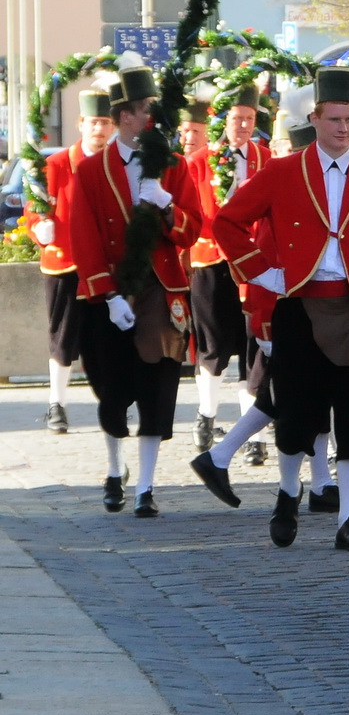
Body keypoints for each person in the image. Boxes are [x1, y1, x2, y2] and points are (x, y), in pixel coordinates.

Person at [213, 63, 349, 550]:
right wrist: (262, 272)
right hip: (299, 306)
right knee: (297, 411)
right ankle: (286, 494)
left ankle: (348, 519)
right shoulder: (282, 171)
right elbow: (228, 222)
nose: (344, 128)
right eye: (335, 118)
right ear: (315, 118)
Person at [68, 55, 204, 517]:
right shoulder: (89, 171)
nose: (155, 118)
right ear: (126, 116)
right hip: (108, 290)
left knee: (157, 382)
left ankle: (146, 484)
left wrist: (168, 207)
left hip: (160, 287)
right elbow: (82, 234)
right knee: (111, 385)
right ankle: (114, 469)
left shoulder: (175, 166)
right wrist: (107, 294)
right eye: (148, 109)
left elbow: (193, 229)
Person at [186, 84, 271, 455]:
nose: (243, 126)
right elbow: (192, 212)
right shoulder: (201, 161)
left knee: (251, 344)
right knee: (213, 342)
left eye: (249, 119)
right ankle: (206, 415)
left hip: (251, 261)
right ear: (224, 120)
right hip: (211, 260)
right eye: (237, 118)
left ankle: (250, 433)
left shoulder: (265, 158)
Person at [32, 86, 113, 434]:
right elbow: (36, 209)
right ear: (81, 123)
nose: (100, 130)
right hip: (65, 263)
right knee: (62, 336)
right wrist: (40, 229)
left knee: (106, 337)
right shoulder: (56, 164)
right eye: (94, 122)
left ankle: (112, 401)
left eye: (105, 123)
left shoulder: (115, 164)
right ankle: (57, 404)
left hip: (105, 266)